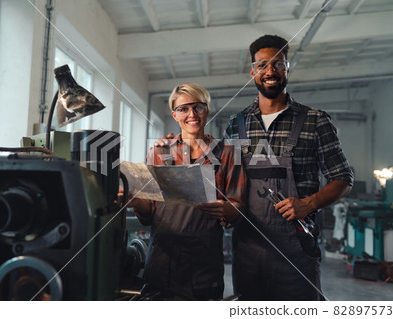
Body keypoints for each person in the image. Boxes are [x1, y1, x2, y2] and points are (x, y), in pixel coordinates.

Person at [224, 34, 354, 300]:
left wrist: (309, 203)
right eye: (262, 65)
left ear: (287, 68)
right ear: (253, 72)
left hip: (296, 250)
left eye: (278, 63)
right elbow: (225, 180)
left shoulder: (315, 121)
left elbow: (343, 177)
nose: (270, 71)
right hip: (247, 250)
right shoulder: (236, 125)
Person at [128, 82, 246, 300]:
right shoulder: (159, 151)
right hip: (162, 261)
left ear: (207, 109)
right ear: (174, 114)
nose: (191, 114)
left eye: (197, 107)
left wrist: (226, 210)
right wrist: (136, 202)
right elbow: (148, 211)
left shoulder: (228, 153)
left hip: (204, 262)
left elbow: (238, 208)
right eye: (183, 109)